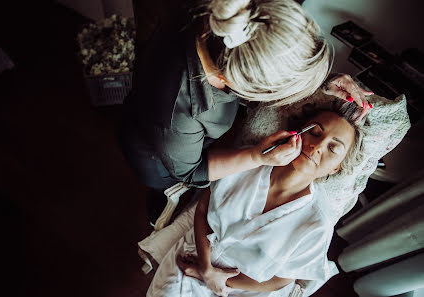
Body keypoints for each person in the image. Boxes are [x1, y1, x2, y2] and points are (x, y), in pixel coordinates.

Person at [120, 0, 372, 223]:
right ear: (235, 83)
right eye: (316, 132)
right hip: (155, 156)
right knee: (164, 185)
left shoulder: (233, 18)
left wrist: (322, 81)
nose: (317, 147)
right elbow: (189, 171)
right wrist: (256, 157)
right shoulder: (176, 113)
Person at [146, 101, 366, 297]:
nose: (317, 147)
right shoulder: (247, 164)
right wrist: (205, 268)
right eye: (315, 133)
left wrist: (221, 280)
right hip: (194, 258)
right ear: (297, 132)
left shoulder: (318, 223)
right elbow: (203, 208)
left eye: (333, 148)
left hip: (244, 288)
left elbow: (282, 278)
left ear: (336, 168)